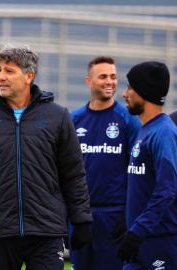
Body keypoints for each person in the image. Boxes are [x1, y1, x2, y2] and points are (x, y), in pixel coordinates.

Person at [0, 44, 93, 270]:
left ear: (29, 75)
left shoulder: (57, 117)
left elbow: (73, 173)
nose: (1, 77)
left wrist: (81, 218)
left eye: (9, 71)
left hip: (45, 232)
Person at [69, 56, 141, 270]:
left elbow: (137, 172)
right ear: (88, 81)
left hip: (115, 218)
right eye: (103, 77)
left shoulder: (128, 120)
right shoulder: (74, 120)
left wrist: (128, 217)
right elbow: (64, 172)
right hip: (82, 217)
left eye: (113, 77)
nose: (109, 81)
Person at [118, 61, 177, 269]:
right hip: (139, 240)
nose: (125, 94)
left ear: (144, 92)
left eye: (130, 88)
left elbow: (166, 190)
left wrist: (137, 231)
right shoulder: (146, 130)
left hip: (160, 242)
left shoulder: (163, 133)